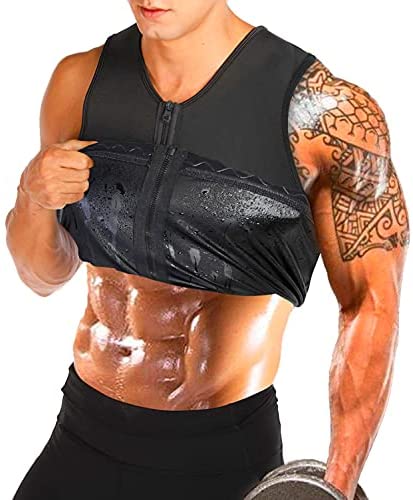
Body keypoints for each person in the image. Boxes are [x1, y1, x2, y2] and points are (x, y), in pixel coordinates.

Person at [5, 1, 409, 499]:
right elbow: (43, 276)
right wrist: (32, 196)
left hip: (218, 458)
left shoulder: (326, 115)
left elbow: (370, 304)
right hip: (83, 430)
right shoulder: (78, 82)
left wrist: (336, 486)